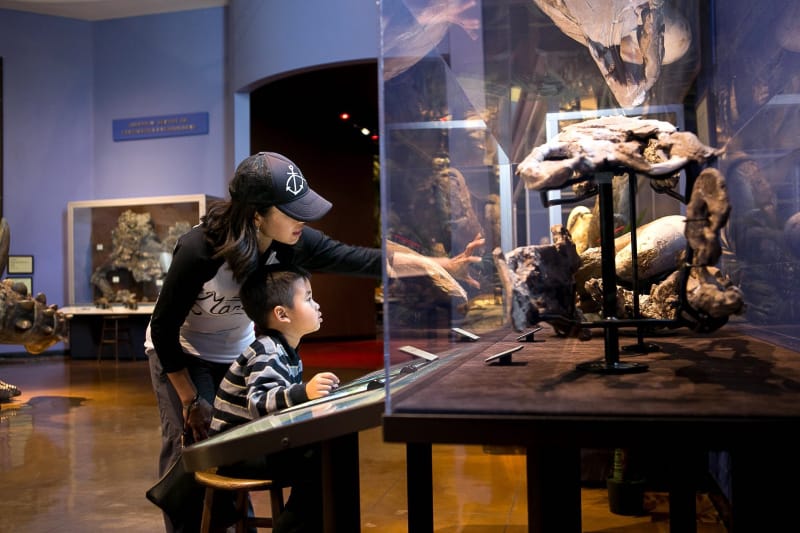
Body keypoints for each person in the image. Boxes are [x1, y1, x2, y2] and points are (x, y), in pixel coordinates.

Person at [145, 151, 484, 532]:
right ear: (257, 214)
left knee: (232, 445)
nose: (302, 220)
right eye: (292, 211)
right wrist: (191, 399)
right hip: (181, 349)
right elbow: (163, 328)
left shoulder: (291, 241)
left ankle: (231, 521)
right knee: (191, 447)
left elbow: (364, 258)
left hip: (237, 350)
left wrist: (436, 265)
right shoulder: (199, 250)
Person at [208, 265, 335, 532]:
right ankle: (293, 526)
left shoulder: (284, 349)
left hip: (252, 446)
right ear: (282, 314)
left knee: (326, 449)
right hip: (238, 451)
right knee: (320, 456)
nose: (317, 304)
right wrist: (304, 392)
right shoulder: (266, 349)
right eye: (309, 298)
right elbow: (260, 404)